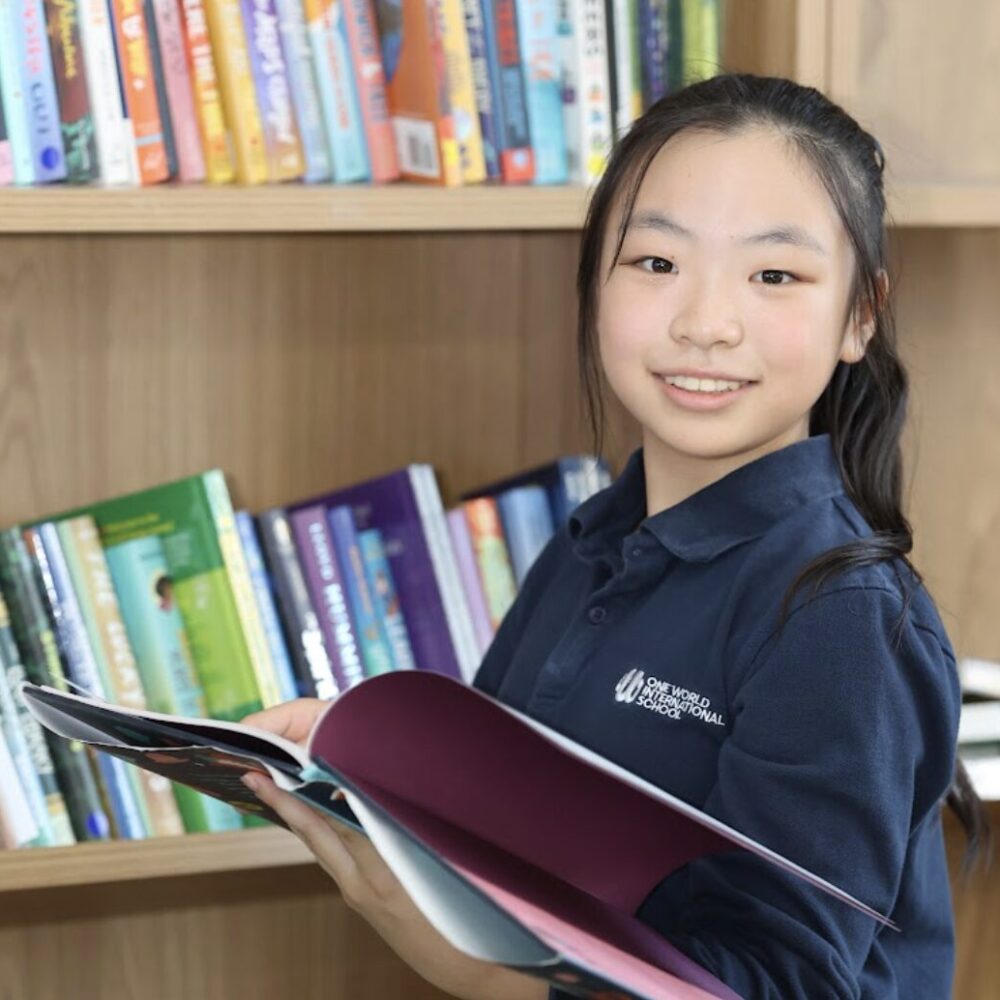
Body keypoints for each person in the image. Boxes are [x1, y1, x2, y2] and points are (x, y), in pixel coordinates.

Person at [240, 74, 988, 999]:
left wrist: (482, 976)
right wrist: (348, 762)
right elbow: (513, 828)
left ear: (860, 316)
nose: (705, 324)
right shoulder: (595, 538)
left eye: (775, 276)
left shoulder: (842, 620)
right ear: (595, 278)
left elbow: (776, 984)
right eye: (656, 264)